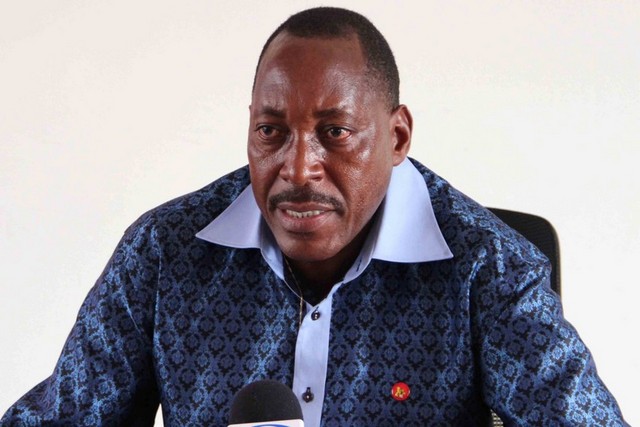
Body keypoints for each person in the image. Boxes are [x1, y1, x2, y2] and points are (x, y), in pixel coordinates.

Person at [0, 7, 628, 427]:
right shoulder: (164, 252)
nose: (298, 168)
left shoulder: (492, 269)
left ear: (397, 136)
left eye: (334, 132)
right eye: (271, 131)